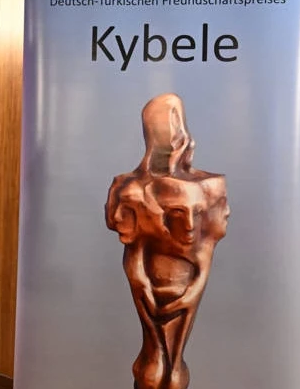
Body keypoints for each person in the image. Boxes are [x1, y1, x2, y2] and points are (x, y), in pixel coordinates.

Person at [105, 93, 229, 389]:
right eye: (164, 127)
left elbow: (206, 247)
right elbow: (133, 250)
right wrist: (140, 280)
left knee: (171, 364)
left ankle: (168, 368)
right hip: (151, 277)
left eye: (176, 127)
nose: (172, 139)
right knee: (155, 358)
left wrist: (194, 286)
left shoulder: (209, 185)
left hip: (184, 278)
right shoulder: (130, 187)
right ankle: (156, 366)